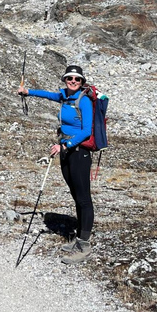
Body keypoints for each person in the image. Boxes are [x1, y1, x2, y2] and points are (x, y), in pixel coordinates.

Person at [18, 65, 94, 264]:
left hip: (79, 153)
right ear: (65, 79)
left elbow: (86, 131)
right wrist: (28, 92)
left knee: (84, 199)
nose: (73, 81)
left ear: (82, 82)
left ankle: (84, 245)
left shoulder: (83, 101)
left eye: (77, 79)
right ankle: (78, 238)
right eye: (70, 78)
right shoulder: (65, 97)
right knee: (76, 196)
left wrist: (65, 145)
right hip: (66, 152)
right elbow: (49, 95)